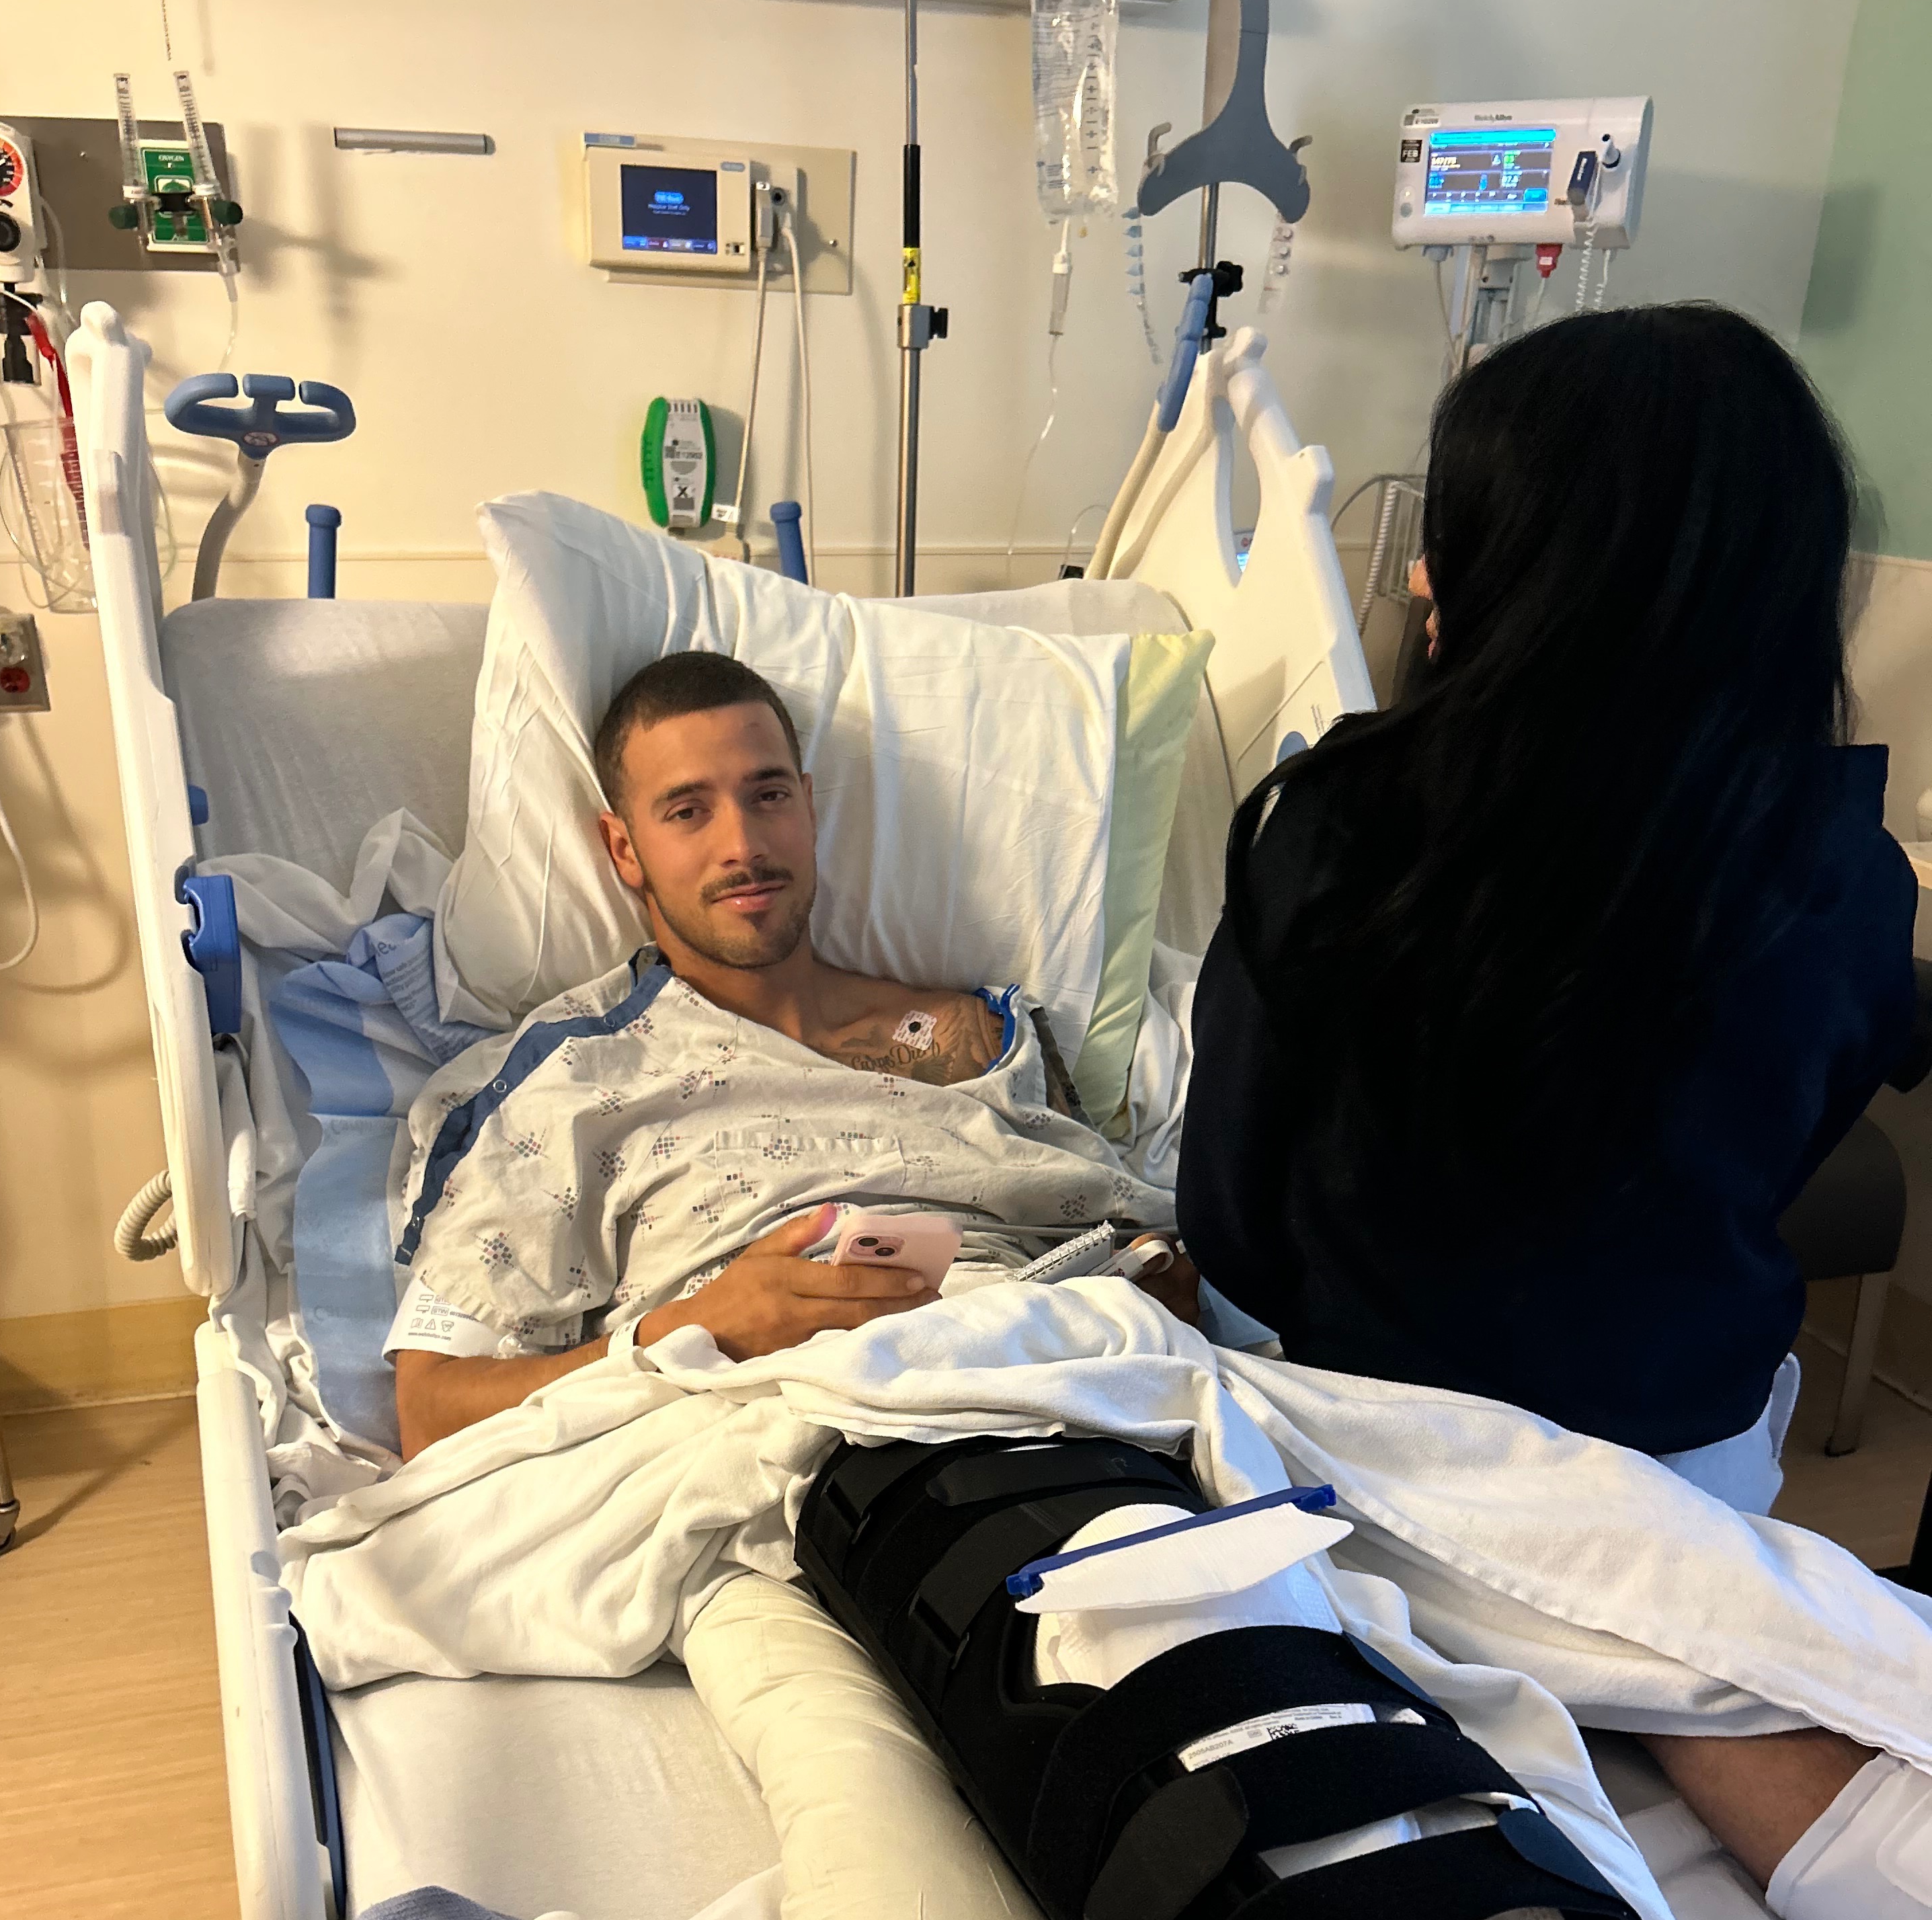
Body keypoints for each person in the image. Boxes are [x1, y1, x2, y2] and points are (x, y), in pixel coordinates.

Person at [1178, 302, 1921, 1511]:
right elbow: (1772, 1161)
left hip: (1368, 1463)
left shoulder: (1335, 826)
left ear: (1545, 577)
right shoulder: (1846, 872)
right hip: (1684, 1476)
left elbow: (1229, 1217)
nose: (1422, 572)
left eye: (1460, 531)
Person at [389, 649, 1195, 1459]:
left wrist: (1165, 1287)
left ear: (807, 808)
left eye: (768, 796)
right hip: (805, 1448)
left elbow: (1113, 1215)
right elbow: (428, 1412)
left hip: (1083, 1394)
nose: (742, 845)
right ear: (624, 849)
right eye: (688, 812)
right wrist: (691, 1330)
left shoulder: (985, 1031)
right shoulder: (566, 1077)